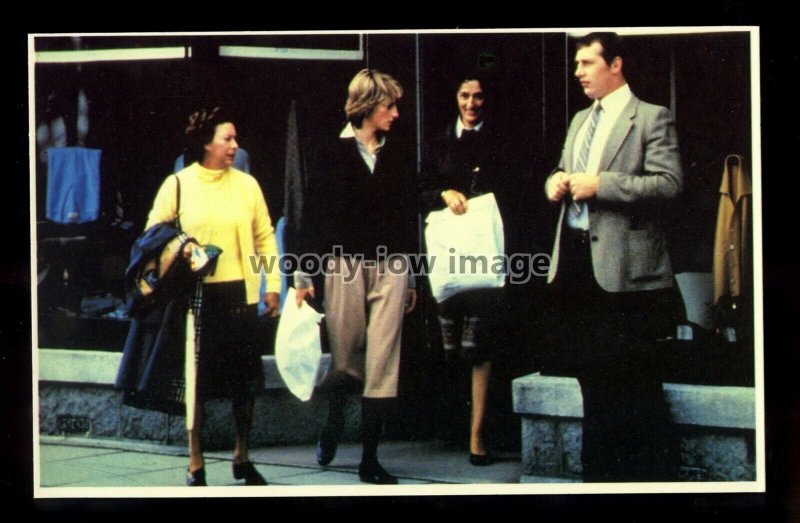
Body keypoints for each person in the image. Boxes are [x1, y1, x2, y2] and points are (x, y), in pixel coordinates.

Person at [544, 33, 683, 482]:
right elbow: (566, 171)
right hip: (578, 269)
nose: (578, 72)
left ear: (615, 64)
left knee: (633, 386)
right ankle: (598, 479)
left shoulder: (651, 118)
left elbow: (669, 184)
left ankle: (645, 481)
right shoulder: (581, 120)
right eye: (577, 64)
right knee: (591, 382)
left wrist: (602, 184)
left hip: (629, 277)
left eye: (587, 63)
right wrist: (556, 182)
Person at [145, 106, 281, 486]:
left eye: (235, 139)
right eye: (228, 138)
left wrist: (272, 286)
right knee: (197, 383)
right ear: (206, 142)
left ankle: (242, 454)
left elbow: (265, 237)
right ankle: (195, 460)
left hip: (241, 293)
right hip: (197, 296)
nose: (235, 145)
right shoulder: (179, 184)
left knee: (246, 383)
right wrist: (184, 247)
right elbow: (153, 234)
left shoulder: (247, 185)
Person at [295, 69, 417, 485]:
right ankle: (332, 423)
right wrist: (303, 271)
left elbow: (406, 217)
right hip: (343, 266)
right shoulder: (330, 152)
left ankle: (370, 458)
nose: (396, 114)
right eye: (389, 106)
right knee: (347, 363)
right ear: (367, 107)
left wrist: (412, 276)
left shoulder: (397, 153)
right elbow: (311, 219)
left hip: (392, 267)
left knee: (383, 361)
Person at [420, 74, 525, 465]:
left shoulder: (501, 141)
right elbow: (419, 190)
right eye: (464, 95)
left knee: (482, 345)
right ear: (455, 97)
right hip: (449, 257)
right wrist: (443, 194)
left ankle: (478, 435)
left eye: (479, 96)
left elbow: (517, 191)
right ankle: (455, 427)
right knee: (453, 350)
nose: (471, 103)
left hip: (487, 255)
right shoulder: (438, 142)